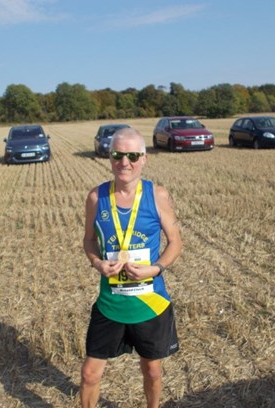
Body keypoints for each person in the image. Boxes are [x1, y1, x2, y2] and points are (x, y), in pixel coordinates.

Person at [80, 127, 183, 408]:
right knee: (89, 373)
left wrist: (156, 269)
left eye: (132, 155)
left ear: (144, 158)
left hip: (149, 303)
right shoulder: (95, 198)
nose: (124, 162)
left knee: (152, 370)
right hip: (110, 303)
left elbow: (175, 243)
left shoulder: (157, 195)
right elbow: (89, 241)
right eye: (117, 154)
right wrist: (97, 262)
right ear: (109, 156)